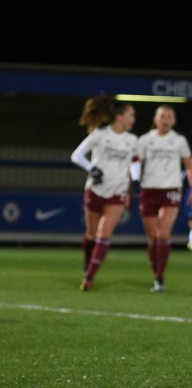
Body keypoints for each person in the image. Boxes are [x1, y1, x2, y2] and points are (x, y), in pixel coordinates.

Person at [71, 96, 137, 291]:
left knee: (104, 234)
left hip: (117, 191)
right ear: (119, 116)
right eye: (131, 115)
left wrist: (134, 182)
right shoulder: (99, 134)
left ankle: (89, 277)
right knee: (91, 235)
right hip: (96, 190)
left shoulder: (132, 140)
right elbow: (76, 155)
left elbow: (134, 163)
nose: (133, 119)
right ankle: (87, 264)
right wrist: (93, 169)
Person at [133, 104, 192, 292]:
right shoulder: (145, 140)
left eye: (169, 116)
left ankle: (160, 277)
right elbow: (135, 163)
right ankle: (156, 271)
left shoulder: (179, 140)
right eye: (162, 116)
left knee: (163, 234)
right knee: (153, 237)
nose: (166, 120)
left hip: (171, 189)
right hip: (149, 190)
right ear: (155, 119)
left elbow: (189, 167)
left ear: (174, 121)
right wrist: (132, 181)